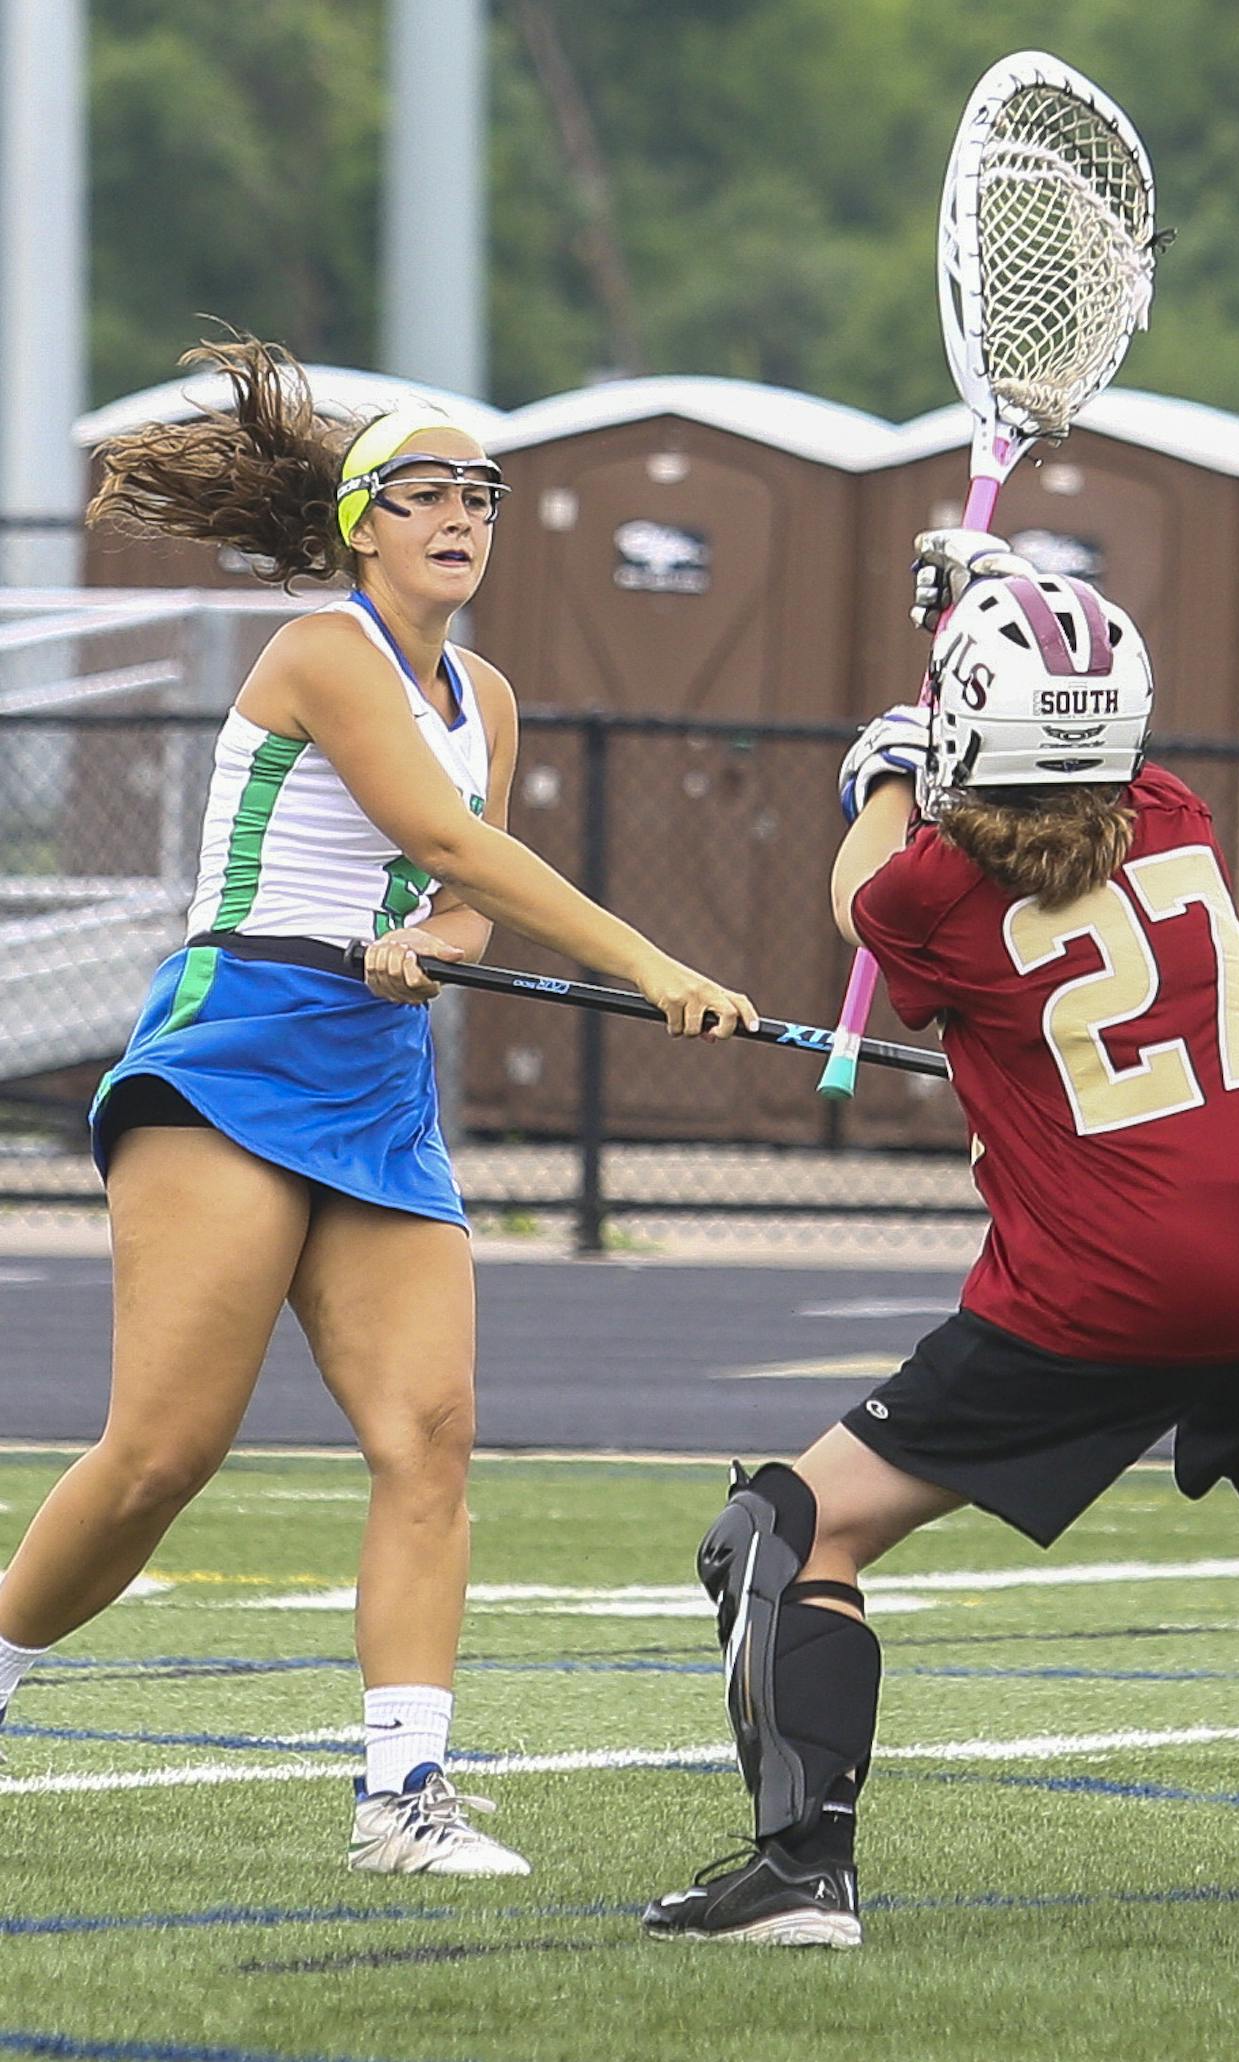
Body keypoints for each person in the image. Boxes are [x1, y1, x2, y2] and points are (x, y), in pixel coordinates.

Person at [0, 331, 757, 1877]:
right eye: (423, 493)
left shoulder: (489, 691)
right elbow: (450, 838)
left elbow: (456, 898)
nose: (460, 514)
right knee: (162, 1453)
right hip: (235, 1050)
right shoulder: (323, 653)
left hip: (373, 1077)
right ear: (360, 525)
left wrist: (429, 947)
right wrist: (651, 960)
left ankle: (402, 1797)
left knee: (432, 1438)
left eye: (478, 493)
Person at [642, 533, 1239, 1949]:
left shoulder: (926, 896)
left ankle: (800, 1873)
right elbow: (1060, 790)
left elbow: (861, 895)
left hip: (1102, 1291)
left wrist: (889, 764)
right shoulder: (1184, 819)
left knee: (782, 1527)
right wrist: (973, 633)